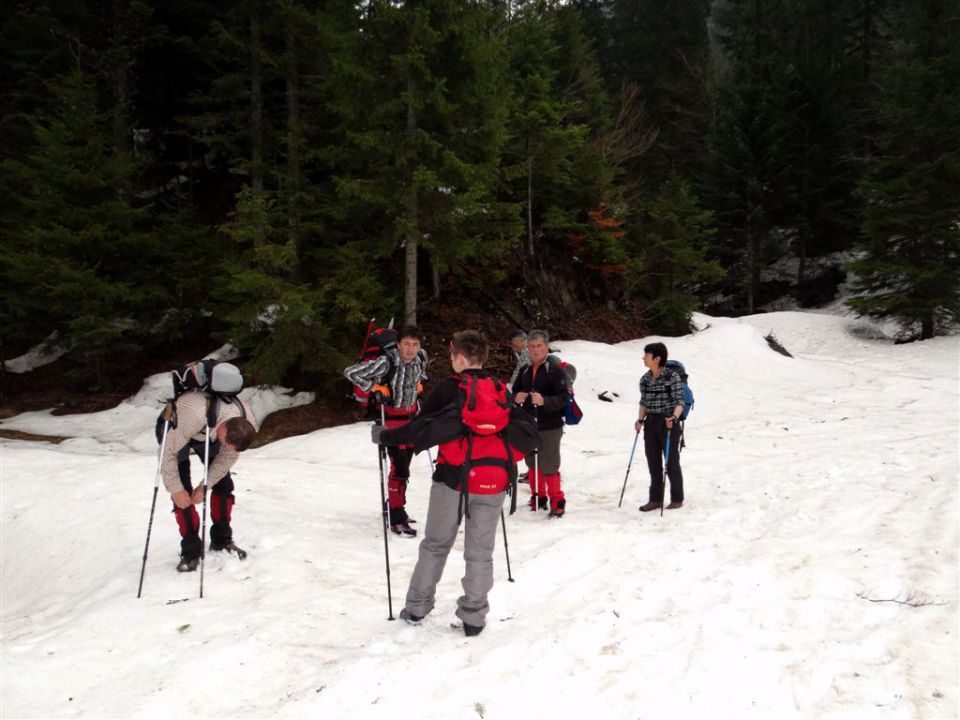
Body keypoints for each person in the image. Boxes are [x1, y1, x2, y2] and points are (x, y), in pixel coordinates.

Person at [371, 330, 535, 637]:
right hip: (494, 480)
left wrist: (385, 436)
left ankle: (417, 608)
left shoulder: (450, 388)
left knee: (435, 545)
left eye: (451, 356)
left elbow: (420, 426)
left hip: (452, 480)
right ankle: (474, 617)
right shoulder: (500, 388)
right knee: (480, 551)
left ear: (459, 358)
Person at [156, 392, 257, 572]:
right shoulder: (194, 414)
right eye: (225, 443)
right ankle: (191, 551)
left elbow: (225, 460)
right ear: (224, 429)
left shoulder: (245, 423)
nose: (225, 448)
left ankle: (222, 540)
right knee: (182, 489)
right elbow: (166, 453)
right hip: (177, 427)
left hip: (207, 432)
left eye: (228, 447)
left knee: (223, 485)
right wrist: (175, 489)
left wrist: (205, 486)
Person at [344, 325, 428, 537]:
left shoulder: (420, 359)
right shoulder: (386, 362)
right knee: (400, 469)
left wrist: (418, 384)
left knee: (403, 468)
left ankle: (396, 508)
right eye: (406, 344)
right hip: (390, 421)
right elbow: (351, 372)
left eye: (415, 345)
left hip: (410, 420)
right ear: (399, 344)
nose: (410, 349)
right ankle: (396, 516)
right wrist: (373, 388)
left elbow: (421, 376)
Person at [512, 329, 569, 517]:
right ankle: (538, 496)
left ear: (546, 347)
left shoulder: (556, 370)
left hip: (550, 425)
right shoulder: (525, 371)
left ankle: (557, 500)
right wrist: (516, 397)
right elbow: (514, 393)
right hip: (529, 424)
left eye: (539, 346)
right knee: (532, 462)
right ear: (527, 348)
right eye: (532, 346)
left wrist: (545, 401)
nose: (535, 350)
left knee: (549, 464)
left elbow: (563, 398)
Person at [635, 341, 685, 511]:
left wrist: (674, 417)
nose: (643, 358)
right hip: (651, 423)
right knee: (653, 462)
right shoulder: (645, 379)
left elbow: (680, 401)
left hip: (668, 423)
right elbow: (643, 402)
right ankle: (655, 499)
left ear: (657, 358)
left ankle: (677, 499)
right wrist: (640, 420)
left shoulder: (672, 377)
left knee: (671, 462)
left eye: (646, 355)